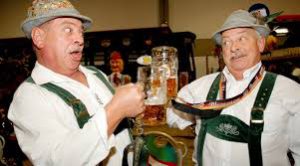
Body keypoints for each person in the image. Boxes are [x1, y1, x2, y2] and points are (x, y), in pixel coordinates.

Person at [8, 0, 145, 165]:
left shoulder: (97, 74)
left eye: (81, 32)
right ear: (39, 38)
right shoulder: (29, 97)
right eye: (68, 30)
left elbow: (123, 136)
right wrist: (117, 109)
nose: (80, 39)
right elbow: (60, 160)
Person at [167, 9, 300, 166]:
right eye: (226, 42)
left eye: (241, 39)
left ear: (260, 43)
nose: (233, 47)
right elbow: (171, 118)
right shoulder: (198, 88)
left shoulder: (290, 92)